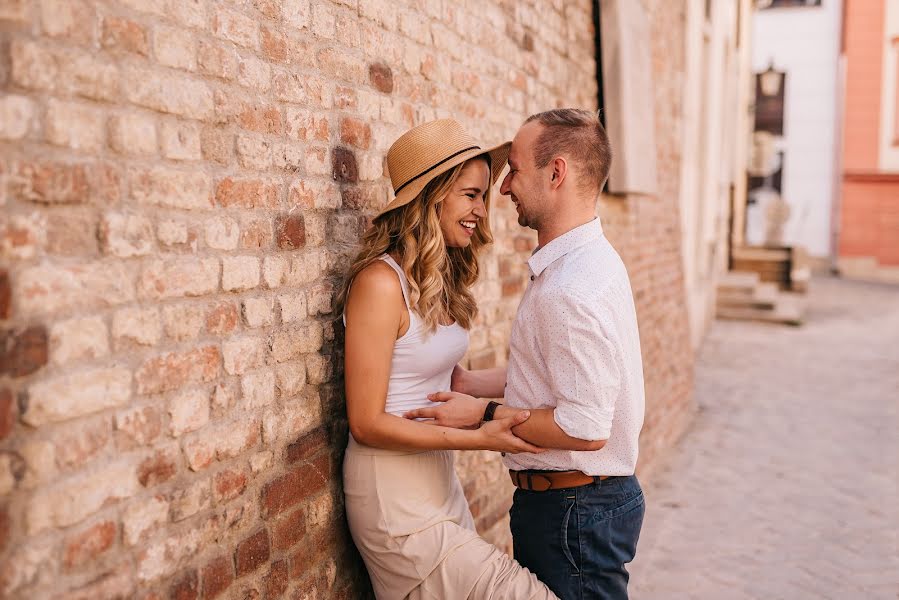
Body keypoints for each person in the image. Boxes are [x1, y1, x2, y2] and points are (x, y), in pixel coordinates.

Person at [404, 109, 647, 600]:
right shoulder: (591, 259)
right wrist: (474, 384)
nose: (505, 187)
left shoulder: (570, 289)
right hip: (579, 505)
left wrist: (484, 413)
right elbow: (562, 377)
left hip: (573, 511)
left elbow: (585, 426)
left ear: (555, 172)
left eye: (514, 169)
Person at [340, 118, 558, 600]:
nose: (483, 210)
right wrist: (478, 437)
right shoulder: (379, 284)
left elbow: (450, 380)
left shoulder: (438, 282)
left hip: (437, 482)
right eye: (470, 195)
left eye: (482, 196)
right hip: (391, 495)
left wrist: (550, 386)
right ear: (431, 196)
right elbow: (366, 421)